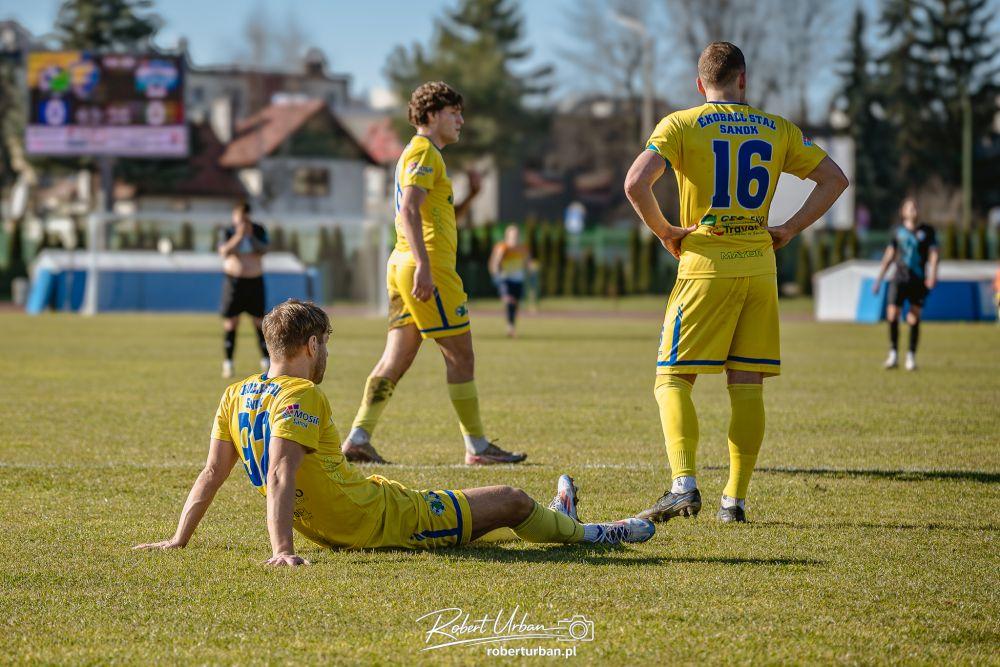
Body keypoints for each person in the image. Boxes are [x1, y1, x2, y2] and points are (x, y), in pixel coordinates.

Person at [133, 300, 654, 564]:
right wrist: (281, 549)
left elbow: (212, 472)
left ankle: (560, 517)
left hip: (353, 519)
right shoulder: (302, 394)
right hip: (382, 520)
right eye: (326, 345)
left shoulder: (236, 394)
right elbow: (280, 472)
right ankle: (597, 532)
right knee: (512, 499)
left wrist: (179, 539)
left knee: (491, 514)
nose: (327, 354)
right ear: (311, 345)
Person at [623, 42, 848, 523]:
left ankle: (683, 485)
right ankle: (735, 501)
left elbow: (635, 182)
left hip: (705, 266)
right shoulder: (777, 128)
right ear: (743, 79)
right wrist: (790, 228)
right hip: (760, 268)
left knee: (671, 379)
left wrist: (666, 232)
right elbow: (835, 179)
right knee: (747, 385)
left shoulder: (680, 124)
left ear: (699, 84)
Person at [341, 81, 525, 466]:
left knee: (397, 357)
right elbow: (409, 209)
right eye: (453, 113)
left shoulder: (425, 155)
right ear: (431, 115)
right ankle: (477, 447)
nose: (461, 120)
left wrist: (472, 196)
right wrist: (425, 266)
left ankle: (358, 437)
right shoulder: (424, 151)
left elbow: (432, 215)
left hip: (404, 263)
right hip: (427, 268)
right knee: (461, 355)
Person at [872, 198, 939, 371]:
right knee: (892, 315)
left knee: (913, 318)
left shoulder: (927, 231)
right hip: (899, 278)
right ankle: (893, 354)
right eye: (910, 207)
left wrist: (933, 274)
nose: (913, 210)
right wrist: (879, 279)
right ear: (903, 212)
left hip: (918, 279)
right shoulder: (897, 231)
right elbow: (889, 255)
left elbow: (934, 254)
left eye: (916, 207)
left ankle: (910, 356)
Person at [217, 201, 270, 379]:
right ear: (234, 217)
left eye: (244, 218)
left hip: (254, 282)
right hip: (234, 282)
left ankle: (266, 361)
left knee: (259, 322)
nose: (242, 222)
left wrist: (250, 236)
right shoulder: (227, 231)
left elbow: (264, 249)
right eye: (238, 218)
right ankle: (228, 363)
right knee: (231, 322)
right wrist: (239, 236)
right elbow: (224, 251)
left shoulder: (258, 230)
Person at [488, 225, 531, 337]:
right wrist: (496, 275)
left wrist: (528, 270)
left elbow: (527, 262)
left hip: (518, 280)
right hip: (505, 279)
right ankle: (510, 327)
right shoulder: (502, 247)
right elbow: (495, 262)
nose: (514, 238)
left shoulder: (523, 248)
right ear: (507, 236)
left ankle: (511, 326)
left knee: (515, 304)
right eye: (512, 236)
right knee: (509, 300)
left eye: (516, 235)